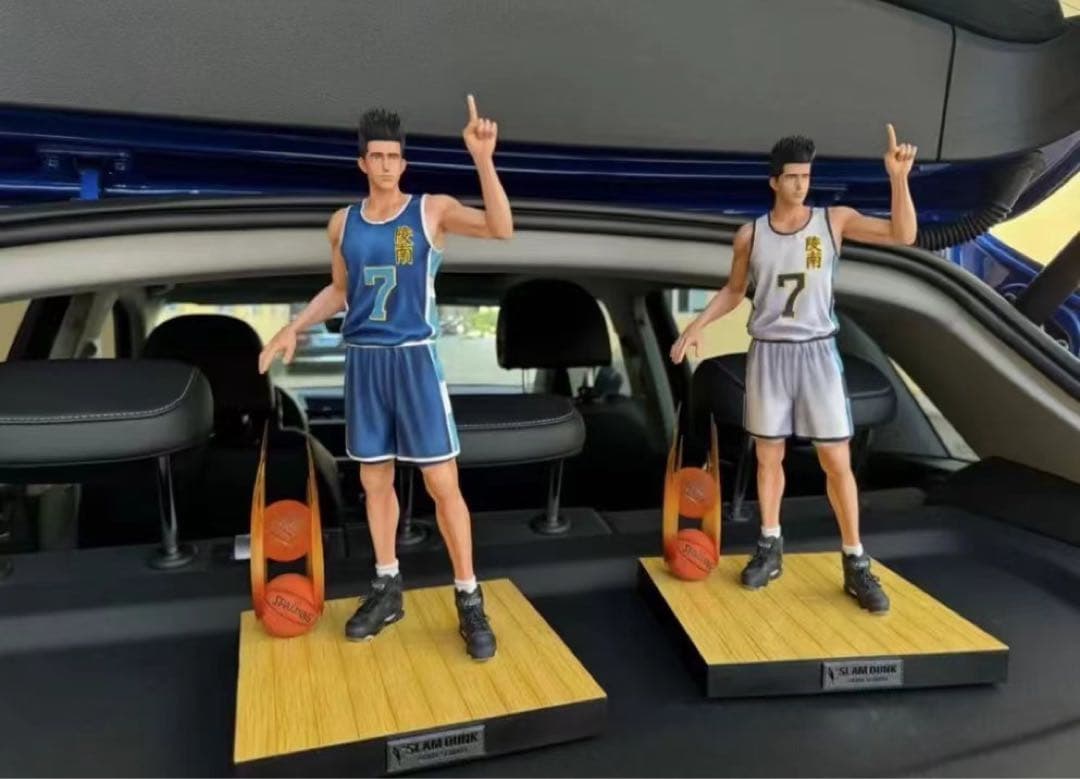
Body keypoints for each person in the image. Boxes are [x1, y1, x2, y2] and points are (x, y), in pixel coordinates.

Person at [258, 96, 513, 657]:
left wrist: (483, 158)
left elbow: (500, 228)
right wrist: (293, 326)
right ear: (362, 163)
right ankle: (387, 585)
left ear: (404, 162)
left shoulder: (430, 211)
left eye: (393, 156)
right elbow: (341, 291)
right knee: (374, 481)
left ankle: (469, 596)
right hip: (364, 362)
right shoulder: (342, 223)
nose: (385, 165)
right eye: (376, 156)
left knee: (442, 484)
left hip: (415, 360)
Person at [670, 125, 917, 613]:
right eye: (792, 177)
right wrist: (696, 326)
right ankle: (770, 544)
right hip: (769, 351)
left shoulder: (833, 221)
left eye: (806, 176)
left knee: (836, 459)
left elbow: (902, 234)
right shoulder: (751, 234)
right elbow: (734, 291)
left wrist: (898, 179)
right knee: (768, 455)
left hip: (817, 351)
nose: (801, 184)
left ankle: (856, 558)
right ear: (774, 181)